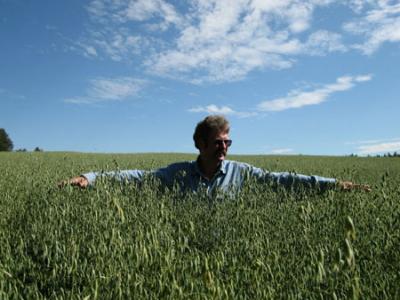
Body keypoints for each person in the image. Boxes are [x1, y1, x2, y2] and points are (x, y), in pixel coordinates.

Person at [61, 115, 371, 195]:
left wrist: (333, 184)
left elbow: (286, 181)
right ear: (200, 143)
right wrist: (90, 177)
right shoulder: (178, 173)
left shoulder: (242, 173)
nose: (224, 148)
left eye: (228, 142)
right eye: (218, 142)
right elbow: (139, 178)